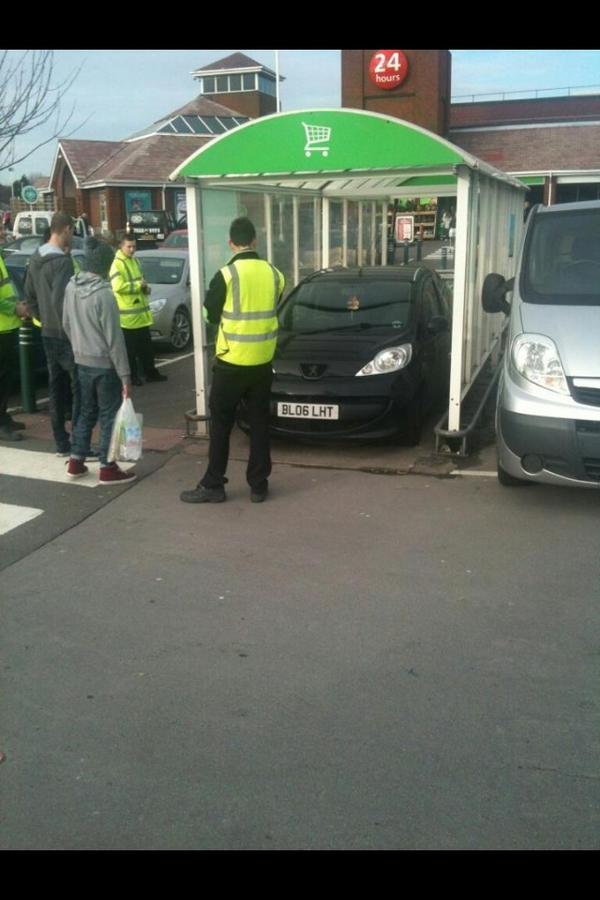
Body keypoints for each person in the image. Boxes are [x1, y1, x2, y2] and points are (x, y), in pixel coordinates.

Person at [180, 217, 284, 505]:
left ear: (231, 243)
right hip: (262, 363)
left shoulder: (225, 275)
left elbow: (210, 315)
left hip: (232, 363)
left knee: (222, 424)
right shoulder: (275, 274)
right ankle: (259, 485)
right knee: (259, 424)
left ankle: (213, 484)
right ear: (254, 241)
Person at [62, 238, 136, 484]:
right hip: (105, 365)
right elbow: (115, 340)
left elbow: (66, 323)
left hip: (82, 360)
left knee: (85, 412)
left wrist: (78, 347)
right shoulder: (104, 295)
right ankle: (107, 466)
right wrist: (125, 376)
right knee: (108, 416)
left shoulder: (71, 286)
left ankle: (76, 460)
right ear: (105, 265)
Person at [24, 211, 81, 455]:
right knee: (79, 389)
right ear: (66, 229)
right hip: (65, 335)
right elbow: (63, 301)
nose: (73, 236)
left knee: (56, 388)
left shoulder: (35, 258)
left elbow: (30, 297)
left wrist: (43, 318)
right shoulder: (63, 263)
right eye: (73, 231)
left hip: (47, 331)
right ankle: (79, 443)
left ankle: (61, 442)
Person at [109, 233, 167, 386]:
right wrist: (138, 286)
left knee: (146, 349)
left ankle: (150, 373)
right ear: (121, 246)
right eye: (129, 246)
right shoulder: (117, 264)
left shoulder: (134, 261)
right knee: (131, 351)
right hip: (128, 318)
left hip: (140, 315)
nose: (132, 249)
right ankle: (133, 377)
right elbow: (118, 286)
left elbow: (141, 280)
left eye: (134, 246)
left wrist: (145, 288)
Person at [0, 254, 29, 441]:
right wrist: (15, 308)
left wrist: (17, 304)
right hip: (1, 328)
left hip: (6, 327)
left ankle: (3, 417)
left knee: (5, 378)